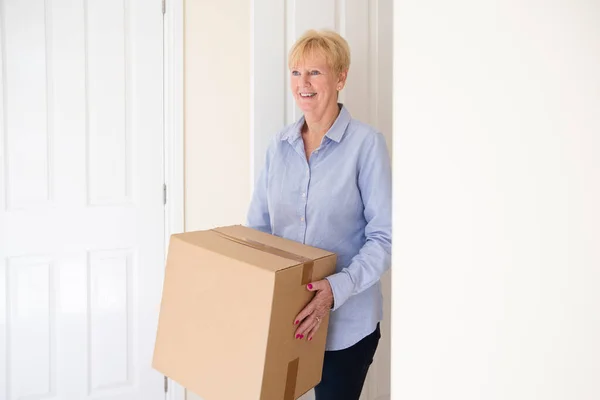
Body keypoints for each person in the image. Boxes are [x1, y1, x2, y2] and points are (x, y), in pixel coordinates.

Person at [246, 29, 391, 400]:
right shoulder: (277, 147)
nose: (303, 83)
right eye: (296, 72)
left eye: (315, 72)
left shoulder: (366, 144)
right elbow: (258, 230)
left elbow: (384, 237)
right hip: (286, 320)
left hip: (347, 326)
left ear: (341, 78)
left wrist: (333, 290)